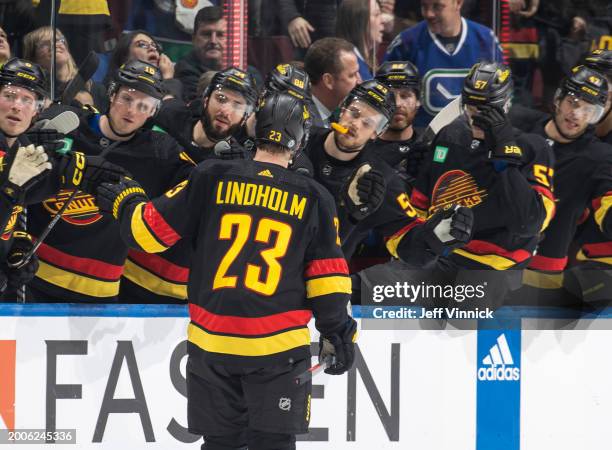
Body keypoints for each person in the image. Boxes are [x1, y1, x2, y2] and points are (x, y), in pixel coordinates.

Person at [95, 91, 358, 450]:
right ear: (300, 144)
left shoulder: (211, 175)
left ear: (255, 132)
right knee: (274, 444)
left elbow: (148, 233)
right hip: (278, 352)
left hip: (212, 345)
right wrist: (339, 334)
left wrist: (127, 202)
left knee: (220, 445)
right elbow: (328, 280)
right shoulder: (314, 197)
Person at [25, 59, 195, 303]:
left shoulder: (160, 152)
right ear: (112, 94)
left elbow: (199, 184)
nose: (132, 111)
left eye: (143, 105)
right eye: (127, 98)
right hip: (34, 275)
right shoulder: (69, 122)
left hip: (98, 294)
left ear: (152, 112)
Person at [410, 62, 555, 280]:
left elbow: (529, 223)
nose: (476, 116)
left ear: (505, 105)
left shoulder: (533, 147)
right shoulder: (449, 136)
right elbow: (420, 205)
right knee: (365, 290)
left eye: (486, 109)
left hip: (496, 265)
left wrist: (504, 155)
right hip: (440, 256)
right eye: (471, 107)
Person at [303, 79, 473, 263]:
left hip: (321, 278)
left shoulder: (381, 180)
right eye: (354, 113)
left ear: (377, 132)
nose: (356, 125)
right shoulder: (299, 140)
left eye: (367, 123)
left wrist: (435, 237)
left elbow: (411, 250)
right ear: (342, 110)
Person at [510, 65, 612, 303]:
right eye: (573, 102)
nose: (577, 114)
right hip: (492, 260)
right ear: (558, 99)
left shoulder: (599, 158)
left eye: (589, 110)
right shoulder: (517, 125)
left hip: (544, 271)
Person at [384, 0, 503, 127]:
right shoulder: (406, 43)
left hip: (473, 137)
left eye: (437, 6)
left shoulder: (486, 40)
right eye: (424, 6)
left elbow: (502, 91)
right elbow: (384, 92)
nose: (429, 14)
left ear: (458, 3)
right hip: (422, 139)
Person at [154, 67, 259, 162]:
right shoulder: (171, 114)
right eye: (221, 99)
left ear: (245, 117)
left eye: (237, 106)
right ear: (205, 100)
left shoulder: (239, 163)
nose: (226, 112)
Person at [175, 6, 261, 103]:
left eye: (220, 35)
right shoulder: (184, 70)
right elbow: (197, 107)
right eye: (206, 34)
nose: (213, 41)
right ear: (194, 39)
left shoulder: (250, 72)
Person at [22, 26, 106, 108]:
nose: (56, 45)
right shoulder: (33, 93)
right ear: (33, 57)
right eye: (45, 43)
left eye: (59, 40)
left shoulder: (96, 90)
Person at [370, 60, 424, 181]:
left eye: (405, 96)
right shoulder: (362, 148)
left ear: (418, 100)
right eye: (390, 97)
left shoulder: (429, 145)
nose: (398, 104)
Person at [105, 30, 182, 100]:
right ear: (125, 57)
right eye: (142, 45)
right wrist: (169, 80)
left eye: (155, 46)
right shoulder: (110, 91)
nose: (152, 48)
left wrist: (168, 79)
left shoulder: (175, 85)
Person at [304, 37, 361, 128]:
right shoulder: (303, 124)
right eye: (351, 75)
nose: (359, 81)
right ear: (328, 81)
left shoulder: (337, 114)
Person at [336, 0, 385, 81]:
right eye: (376, 15)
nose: (383, 21)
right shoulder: (351, 69)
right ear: (358, 21)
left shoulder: (367, 62)